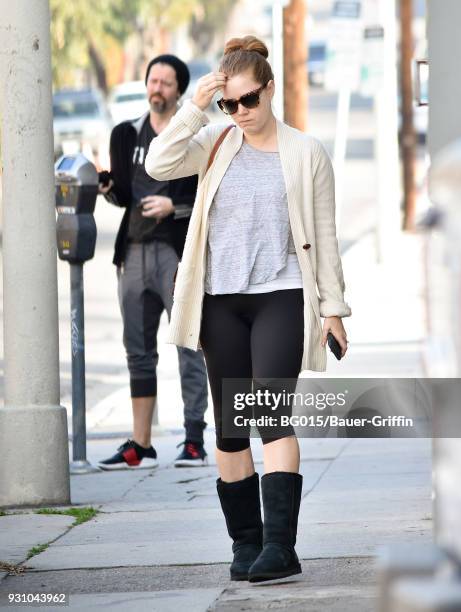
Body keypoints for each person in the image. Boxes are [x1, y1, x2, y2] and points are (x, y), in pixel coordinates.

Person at [145, 37, 351, 582]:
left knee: (268, 416)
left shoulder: (305, 152)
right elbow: (159, 162)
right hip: (220, 301)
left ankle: (281, 547)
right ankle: (246, 545)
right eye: (229, 104)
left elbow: (324, 237)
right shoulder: (214, 140)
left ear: (271, 89)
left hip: (279, 295)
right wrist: (196, 106)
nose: (240, 113)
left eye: (249, 101)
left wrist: (333, 309)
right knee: (231, 428)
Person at [97, 54, 209, 470]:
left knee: (188, 343)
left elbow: (205, 197)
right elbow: (124, 195)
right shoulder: (126, 135)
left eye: (165, 82)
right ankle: (140, 442)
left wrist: (173, 207)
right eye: (152, 80)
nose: (156, 88)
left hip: (176, 253)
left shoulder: (194, 138)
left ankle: (194, 438)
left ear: (179, 90)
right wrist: (107, 187)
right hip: (134, 252)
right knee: (137, 351)